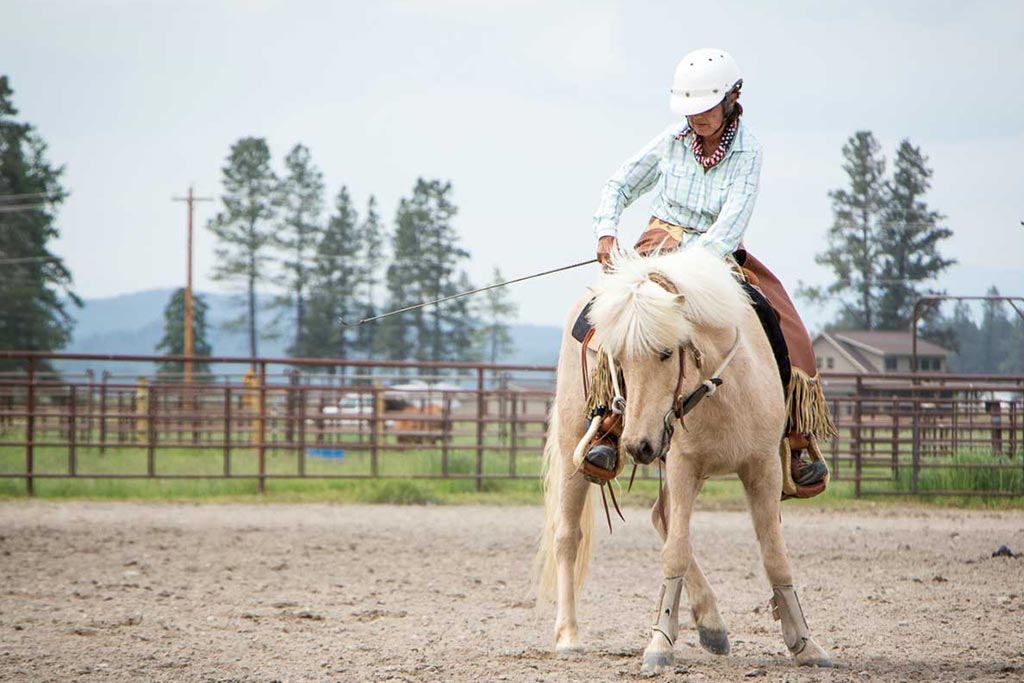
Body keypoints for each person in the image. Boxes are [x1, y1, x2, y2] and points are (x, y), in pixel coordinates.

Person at [586, 48, 835, 496]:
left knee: (785, 326)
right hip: (656, 247)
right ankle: (607, 421)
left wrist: (690, 262)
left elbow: (732, 220)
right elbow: (619, 183)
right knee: (610, 319)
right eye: (690, 110)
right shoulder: (669, 142)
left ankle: (795, 437)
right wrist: (607, 232)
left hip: (715, 256)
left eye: (704, 108)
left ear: (732, 98)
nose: (696, 118)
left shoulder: (748, 151)